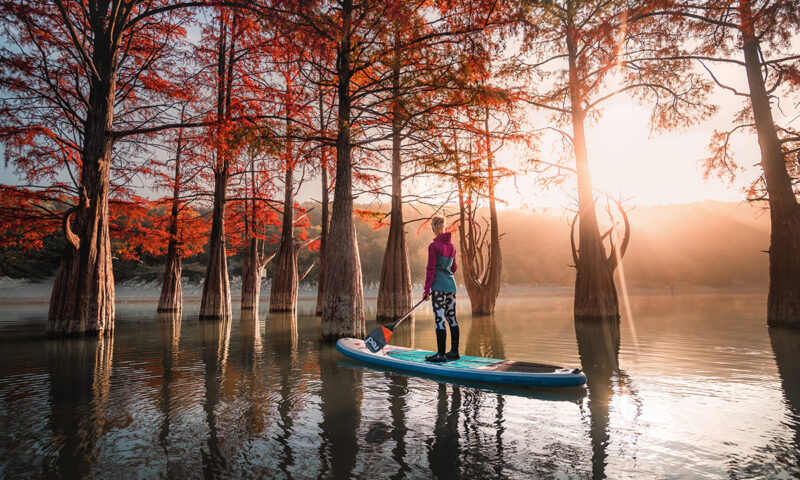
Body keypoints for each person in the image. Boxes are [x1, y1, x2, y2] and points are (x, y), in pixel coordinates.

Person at [423, 215, 459, 362]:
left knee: (440, 319)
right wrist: (447, 278)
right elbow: (454, 267)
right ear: (443, 228)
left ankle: (441, 354)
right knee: (452, 318)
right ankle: (454, 352)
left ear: (433, 228)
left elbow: (430, 269)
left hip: (438, 287)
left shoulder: (433, 247)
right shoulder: (452, 246)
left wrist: (426, 291)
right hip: (451, 286)